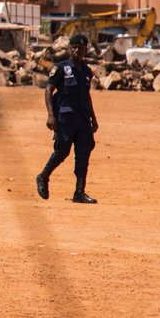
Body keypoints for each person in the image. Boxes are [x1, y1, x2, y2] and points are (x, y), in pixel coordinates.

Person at [36, 33, 99, 204]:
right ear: (70, 49)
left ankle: (79, 192)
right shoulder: (62, 68)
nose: (77, 50)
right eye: (74, 47)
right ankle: (43, 177)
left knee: (83, 154)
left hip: (83, 119)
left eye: (81, 48)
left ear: (85, 49)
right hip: (65, 118)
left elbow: (86, 95)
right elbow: (48, 90)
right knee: (62, 152)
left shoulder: (86, 71)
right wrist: (50, 115)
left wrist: (94, 117)